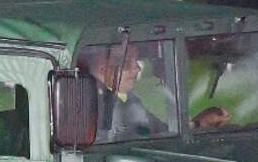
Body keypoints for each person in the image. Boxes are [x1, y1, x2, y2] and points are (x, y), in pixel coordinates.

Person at [80, 42, 229, 143]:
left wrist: (198, 124)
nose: (137, 69)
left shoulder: (127, 99)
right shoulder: (91, 107)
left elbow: (160, 132)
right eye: (126, 63)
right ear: (103, 70)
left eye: (136, 60)